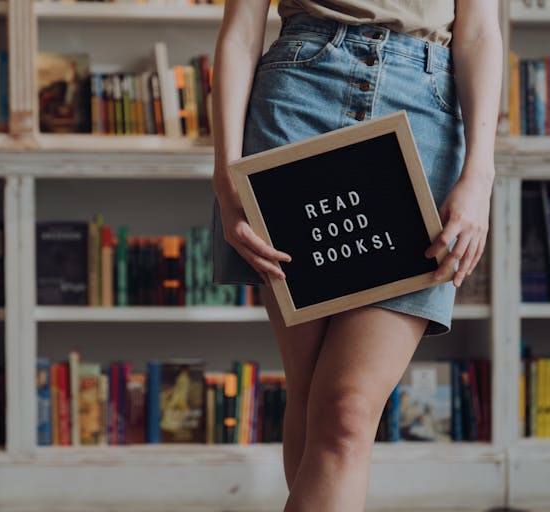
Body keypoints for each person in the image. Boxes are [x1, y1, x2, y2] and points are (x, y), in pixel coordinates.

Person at [210, 1, 501, 510]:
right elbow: (239, 34)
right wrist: (224, 175)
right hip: (297, 96)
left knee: (346, 411)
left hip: (424, 109)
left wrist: (480, 175)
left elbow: (478, 34)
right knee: (309, 394)